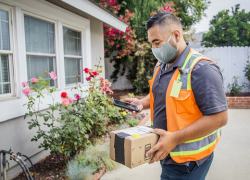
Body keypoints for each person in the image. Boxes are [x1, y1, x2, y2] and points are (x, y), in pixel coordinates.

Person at [125, 12, 228, 180]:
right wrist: (142, 103)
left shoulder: (202, 69)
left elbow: (220, 118)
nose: (154, 49)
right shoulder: (162, 64)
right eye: (152, 44)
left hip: (189, 163)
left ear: (176, 35)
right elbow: (162, 94)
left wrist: (174, 138)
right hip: (168, 154)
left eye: (157, 42)